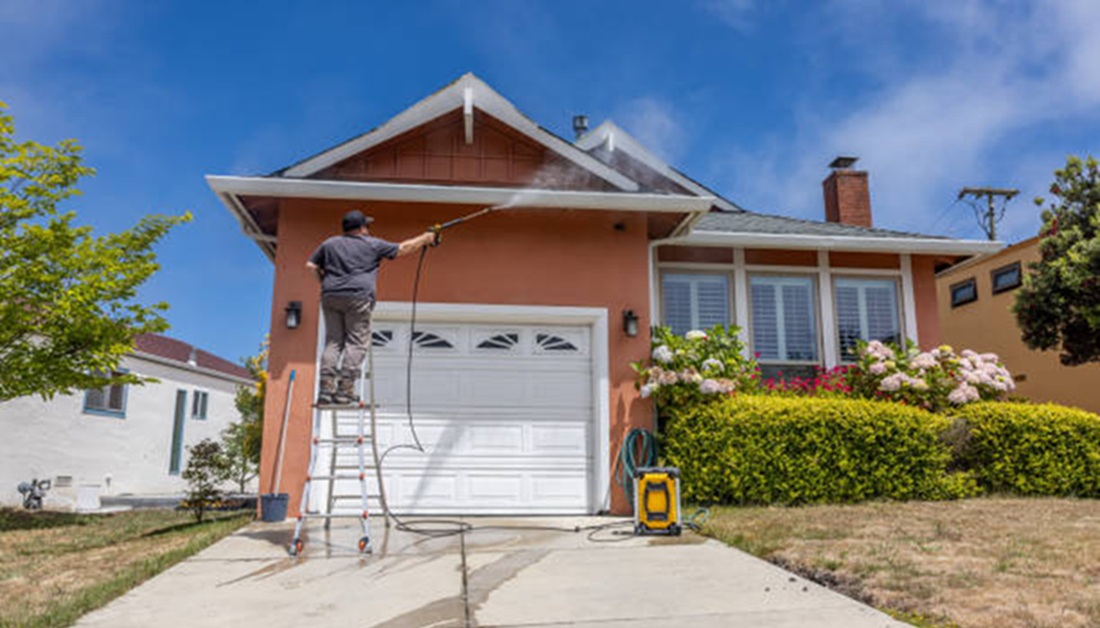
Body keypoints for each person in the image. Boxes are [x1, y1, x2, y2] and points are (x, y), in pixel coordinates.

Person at [307, 210, 437, 405]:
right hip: (358, 297)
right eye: (366, 225)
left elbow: (310, 266)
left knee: (333, 342)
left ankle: (325, 390)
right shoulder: (372, 244)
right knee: (356, 342)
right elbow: (403, 248)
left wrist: (324, 283)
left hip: (330, 296)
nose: (368, 229)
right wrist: (425, 238)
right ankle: (345, 391)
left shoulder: (329, 243)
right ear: (361, 228)